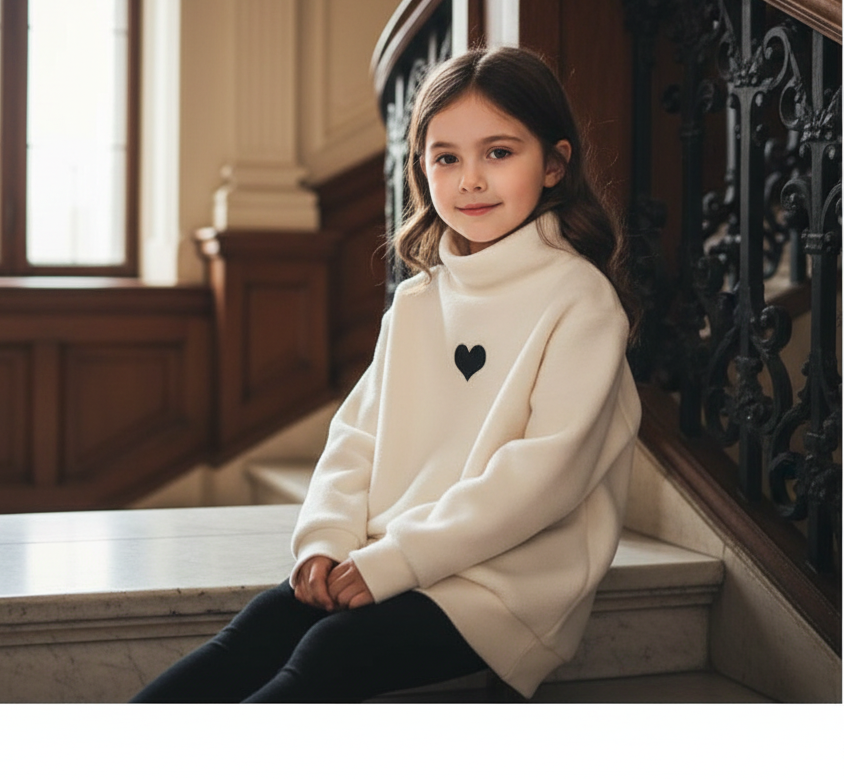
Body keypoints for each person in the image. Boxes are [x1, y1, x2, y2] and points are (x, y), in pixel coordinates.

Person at [131, 46, 641, 703]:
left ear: (554, 165)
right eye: (447, 157)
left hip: (504, 582)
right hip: (394, 556)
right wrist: (327, 539)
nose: (470, 180)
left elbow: (540, 480)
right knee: (259, 627)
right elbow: (356, 440)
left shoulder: (581, 301)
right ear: (422, 170)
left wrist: (398, 560)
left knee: (332, 651)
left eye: (499, 152)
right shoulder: (419, 301)